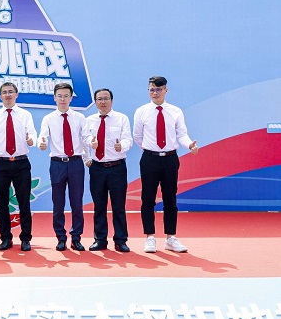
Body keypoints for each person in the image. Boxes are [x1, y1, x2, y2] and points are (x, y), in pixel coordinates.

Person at [133, 76, 198, 253]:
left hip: (170, 159)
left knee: (170, 198)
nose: (155, 93)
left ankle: (171, 238)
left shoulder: (175, 111)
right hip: (149, 159)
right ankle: (150, 237)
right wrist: (151, 151)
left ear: (166, 90)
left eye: (158, 89)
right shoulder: (141, 111)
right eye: (152, 90)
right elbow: (137, 136)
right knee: (148, 198)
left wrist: (189, 145)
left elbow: (182, 134)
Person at [0, 82, 37, 251]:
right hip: (0, 164)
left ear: (17, 95)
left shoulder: (25, 115)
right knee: (1, 203)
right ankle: (6, 238)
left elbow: (32, 133)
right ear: (0, 96)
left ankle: (25, 238)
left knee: (24, 202)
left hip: (21, 163)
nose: (8, 95)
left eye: (11, 92)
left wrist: (31, 140)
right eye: (4, 92)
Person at [38, 83, 90, 251]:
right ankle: (60, 237)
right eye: (59, 96)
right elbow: (42, 136)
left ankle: (76, 237)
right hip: (57, 164)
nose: (62, 99)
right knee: (58, 203)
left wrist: (92, 142)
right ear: (54, 98)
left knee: (77, 202)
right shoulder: (48, 119)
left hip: (75, 163)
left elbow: (86, 137)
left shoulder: (79, 118)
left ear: (71, 98)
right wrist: (41, 143)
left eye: (66, 96)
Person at [85, 88, 133, 252]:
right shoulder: (89, 120)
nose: (103, 102)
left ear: (111, 101)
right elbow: (84, 140)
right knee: (99, 206)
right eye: (99, 99)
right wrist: (87, 155)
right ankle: (100, 239)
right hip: (97, 168)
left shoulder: (121, 118)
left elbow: (128, 139)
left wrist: (122, 146)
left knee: (118, 206)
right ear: (95, 102)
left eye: (106, 98)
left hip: (117, 167)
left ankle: (120, 240)